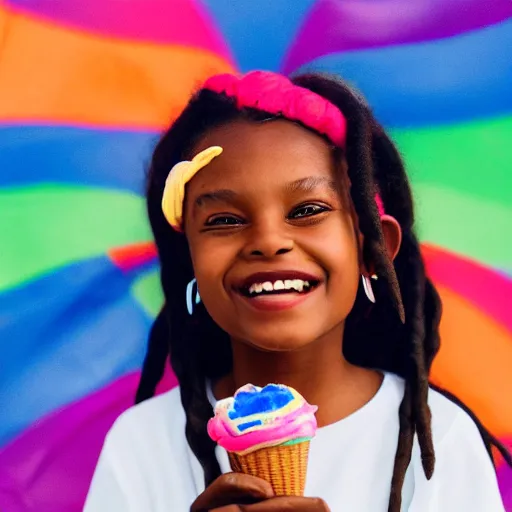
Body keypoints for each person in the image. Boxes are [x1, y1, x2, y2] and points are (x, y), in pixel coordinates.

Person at [84, 71, 509, 511]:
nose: (269, 241)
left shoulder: (441, 439)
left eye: (308, 210)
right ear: (188, 259)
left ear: (372, 250)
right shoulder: (141, 446)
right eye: (224, 220)